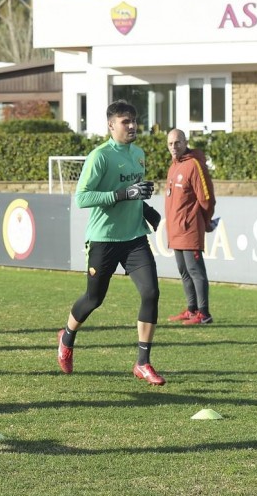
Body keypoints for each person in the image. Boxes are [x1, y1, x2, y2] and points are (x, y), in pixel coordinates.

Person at [56, 100, 166, 386]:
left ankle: (142, 363)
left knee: (151, 292)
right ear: (111, 125)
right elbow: (82, 198)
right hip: (104, 239)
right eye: (125, 121)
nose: (131, 126)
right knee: (94, 299)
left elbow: (134, 195)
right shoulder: (100, 157)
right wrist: (121, 194)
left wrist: (148, 211)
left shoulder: (139, 154)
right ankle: (67, 335)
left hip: (134, 238)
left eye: (133, 120)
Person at [164, 129, 217, 325]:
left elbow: (206, 198)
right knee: (184, 271)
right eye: (170, 143)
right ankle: (192, 309)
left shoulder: (194, 165)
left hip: (189, 229)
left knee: (195, 271)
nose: (173, 147)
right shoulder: (173, 166)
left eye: (177, 142)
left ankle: (204, 313)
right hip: (175, 230)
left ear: (186, 142)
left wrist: (206, 220)